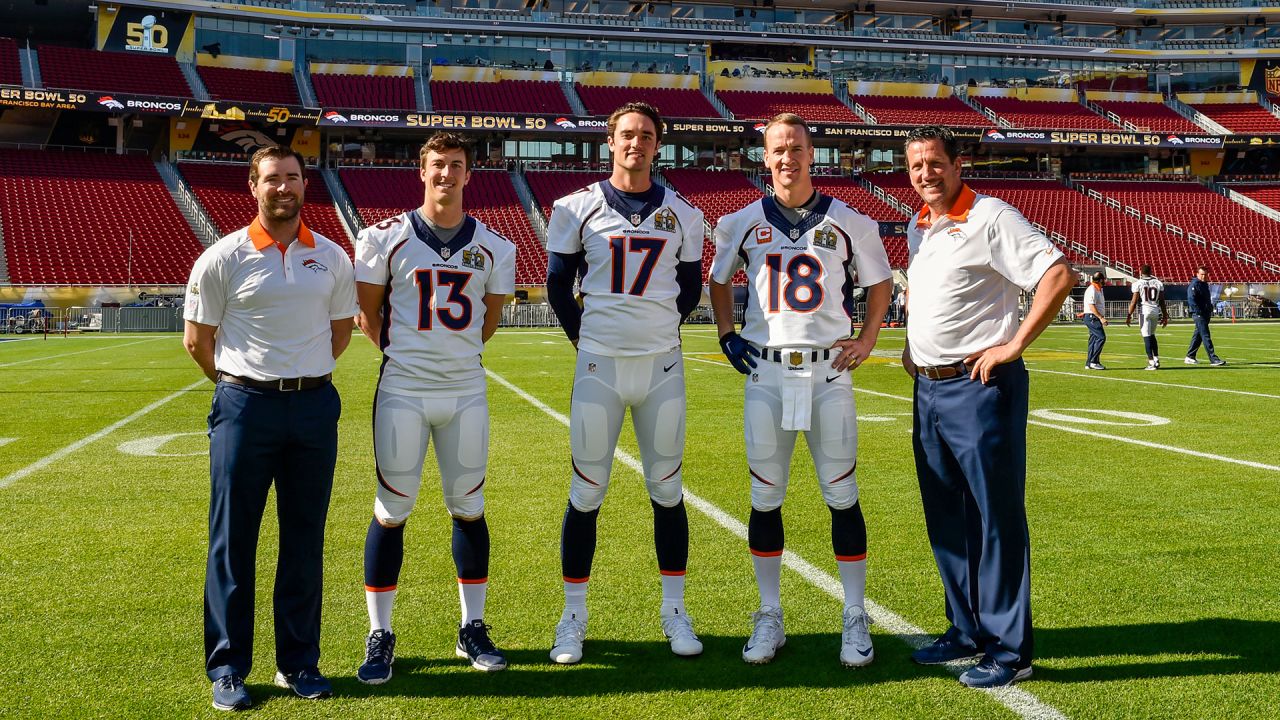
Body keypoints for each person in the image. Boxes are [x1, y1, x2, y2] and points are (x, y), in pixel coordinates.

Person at [709, 113, 892, 667]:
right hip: (767, 372)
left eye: (796, 147)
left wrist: (866, 338)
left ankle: (854, 614)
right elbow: (718, 281)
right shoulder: (740, 221)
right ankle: (770, 613)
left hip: (828, 374)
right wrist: (725, 333)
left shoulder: (850, 222)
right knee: (765, 497)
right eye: (777, 149)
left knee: (842, 495)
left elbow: (880, 281)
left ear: (813, 154)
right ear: (765, 159)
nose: (787, 157)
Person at [183, 145, 357, 711]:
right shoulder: (222, 257)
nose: (284, 187)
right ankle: (229, 667)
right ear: (253, 187)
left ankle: (299, 663)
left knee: (305, 540)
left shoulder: (331, 256)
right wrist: (241, 385)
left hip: (312, 406)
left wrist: (299, 378)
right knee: (234, 541)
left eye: (293, 178)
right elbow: (197, 342)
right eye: (272, 179)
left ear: (306, 185)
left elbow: (339, 333)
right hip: (244, 407)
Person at [900, 126, 1074, 689]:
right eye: (915, 165)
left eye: (934, 163)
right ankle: (966, 628)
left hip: (980, 388)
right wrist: (914, 348)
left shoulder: (991, 216)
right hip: (928, 388)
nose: (924, 174)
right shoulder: (919, 226)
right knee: (947, 517)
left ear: (957, 164)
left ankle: (1009, 648)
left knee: (993, 518)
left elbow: (1057, 274)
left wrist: (1015, 343)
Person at [352, 132, 517, 682]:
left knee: (469, 506)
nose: (446, 174)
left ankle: (472, 627)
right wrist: (413, 359)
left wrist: (451, 359)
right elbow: (369, 317)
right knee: (391, 509)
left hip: (465, 389)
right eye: (437, 165)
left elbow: (489, 320)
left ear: (470, 175)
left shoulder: (496, 246)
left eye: (456, 166)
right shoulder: (384, 238)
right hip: (403, 387)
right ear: (421, 171)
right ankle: (380, 632)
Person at [544, 102, 705, 664]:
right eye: (627, 135)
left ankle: (675, 611)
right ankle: (573, 615)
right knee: (586, 493)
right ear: (610, 142)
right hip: (600, 368)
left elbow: (687, 290)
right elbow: (559, 289)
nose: (636, 143)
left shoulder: (684, 212)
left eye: (646, 135)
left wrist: (654, 328)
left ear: (658, 145)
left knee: (667, 491)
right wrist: (587, 341)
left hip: (661, 367)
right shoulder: (576, 207)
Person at [1126, 264, 1168, 370]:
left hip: (1144, 311)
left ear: (1141, 272)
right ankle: (1156, 359)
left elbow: (1134, 301)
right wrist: (1165, 316)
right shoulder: (1158, 283)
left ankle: (1151, 362)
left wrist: (1129, 315)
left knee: (1146, 336)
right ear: (1151, 271)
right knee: (1152, 335)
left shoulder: (1138, 283)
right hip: (1155, 310)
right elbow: (1162, 301)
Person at [1185, 265, 1226, 366]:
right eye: (1202, 274)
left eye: (1205, 274)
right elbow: (1191, 299)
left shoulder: (1204, 284)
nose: (1204, 276)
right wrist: (1198, 311)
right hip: (1199, 314)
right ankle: (1213, 358)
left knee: (1198, 335)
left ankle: (1190, 356)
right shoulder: (1194, 285)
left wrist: (1209, 308)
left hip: (1205, 313)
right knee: (1205, 335)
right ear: (1197, 274)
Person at [1082, 271, 1107, 370]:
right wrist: (1101, 318)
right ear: (1100, 280)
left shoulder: (1098, 289)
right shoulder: (1092, 289)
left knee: (1093, 339)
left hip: (1092, 316)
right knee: (1101, 337)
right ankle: (1094, 361)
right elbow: (1091, 306)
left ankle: (1089, 362)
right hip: (1093, 317)